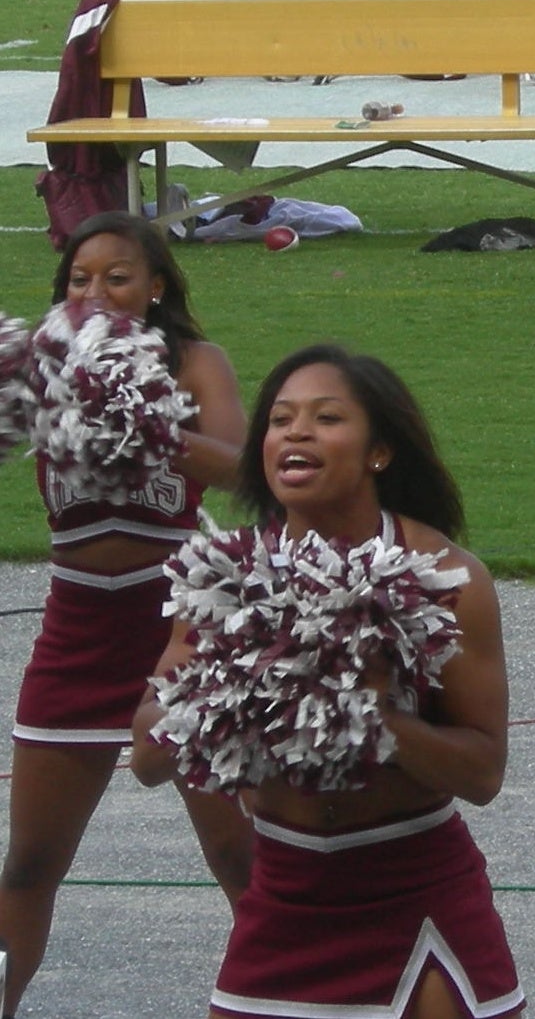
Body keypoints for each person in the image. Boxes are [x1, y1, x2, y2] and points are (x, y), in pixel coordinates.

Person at [133, 345, 524, 1019]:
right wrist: (223, 684)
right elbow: (146, 758)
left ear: (380, 451)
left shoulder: (445, 577)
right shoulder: (223, 581)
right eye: (281, 419)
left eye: (327, 417)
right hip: (285, 894)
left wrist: (374, 715)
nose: (298, 432)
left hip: (418, 899)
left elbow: (483, 772)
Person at [0, 214, 253, 1018]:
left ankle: (292, 998)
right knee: (28, 863)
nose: (97, 291)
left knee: (238, 856)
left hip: (180, 625)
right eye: (80, 278)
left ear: (157, 287)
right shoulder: (44, 367)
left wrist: (148, 423)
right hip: (75, 631)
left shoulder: (195, 361)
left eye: (117, 276)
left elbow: (242, 468)